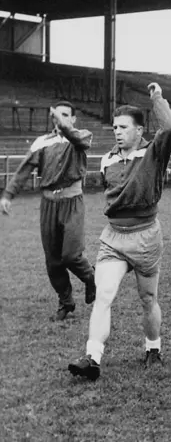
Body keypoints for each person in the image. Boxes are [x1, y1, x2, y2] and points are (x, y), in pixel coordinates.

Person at [68, 83, 171, 380]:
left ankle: (153, 349)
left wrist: (157, 99)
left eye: (124, 127)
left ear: (140, 131)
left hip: (145, 237)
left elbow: (169, 127)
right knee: (103, 294)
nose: (117, 132)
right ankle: (92, 358)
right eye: (115, 127)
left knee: (147, 299)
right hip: (113, 237)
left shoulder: (155, 153)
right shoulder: (107, 159)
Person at [0, 100, 96, 321]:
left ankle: (91, 279)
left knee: (71, 255)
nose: (60, 119)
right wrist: (8, 195)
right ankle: (66, 301)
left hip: (72, 202)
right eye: (57, 115)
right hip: (48, 204)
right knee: (53, 261)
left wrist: (65, 127)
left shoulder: (81, 137)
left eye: (65, 115)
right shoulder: (41, 142)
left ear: (73, 119)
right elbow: (24, 170)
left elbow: (76, 137)